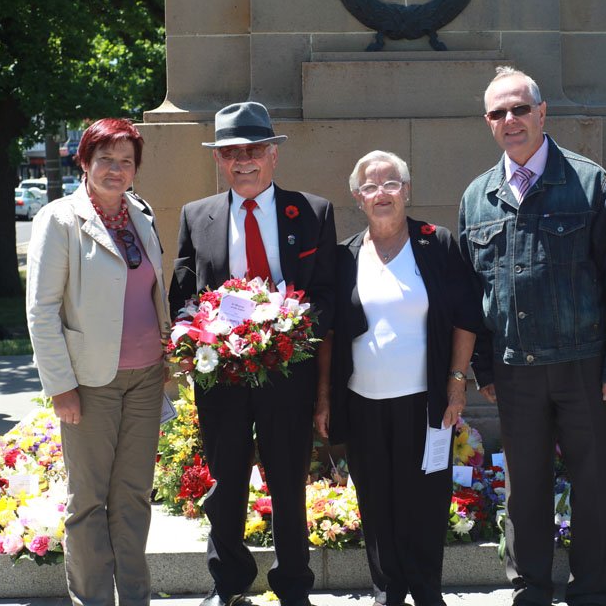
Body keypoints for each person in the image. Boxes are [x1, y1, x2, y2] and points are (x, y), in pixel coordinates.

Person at [458, 67, 606, 606]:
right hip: (516, 372)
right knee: (525, 490)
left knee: (593, 484)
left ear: (542, 112)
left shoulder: (588, 183)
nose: (510, 120)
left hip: (585, 366)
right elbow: (474, 295)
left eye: (519, 109)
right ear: (487, 122)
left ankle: (591, 591)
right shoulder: (477, 198)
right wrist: (486, 370)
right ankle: (530, 588)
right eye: (498, 113)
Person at [169, 102, 336, 606]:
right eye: (231, 152)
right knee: (225, 481)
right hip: (221, 376)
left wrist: (287, 322)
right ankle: (229, 582)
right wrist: (198, 336)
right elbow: (182, 296)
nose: (243, 160)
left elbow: (327, 292)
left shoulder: (313, 212)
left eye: (254, 150)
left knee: (288, 480)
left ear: (273, 155)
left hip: (288, 371)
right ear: (219, 159)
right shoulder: (197, 216)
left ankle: (293, 587)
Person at [314, 151, 481, 606]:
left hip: (425, 399)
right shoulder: (345, 255)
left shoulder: (435, 244)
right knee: (376, 498)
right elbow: (328, 334)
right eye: (370, 186)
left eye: (391, 184)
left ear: (407, 191)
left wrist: (456, 381)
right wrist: (325, 398)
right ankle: (387, 590)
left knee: (426, 498)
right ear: (357, 197)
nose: (381, 193)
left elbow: (466, 317)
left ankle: (426, 590)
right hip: (362, 399)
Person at [25, 118, 170, 605]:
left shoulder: (141, 214)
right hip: (90, 383)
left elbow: (153, 291)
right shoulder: (59, 220)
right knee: (88, 501)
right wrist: (60, 385)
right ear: (84, 161)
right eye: (105, 158)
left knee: (133, 497)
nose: (116, 169)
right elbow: (42, 310)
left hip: (147, 377)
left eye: (126, 161)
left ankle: (134, 598)